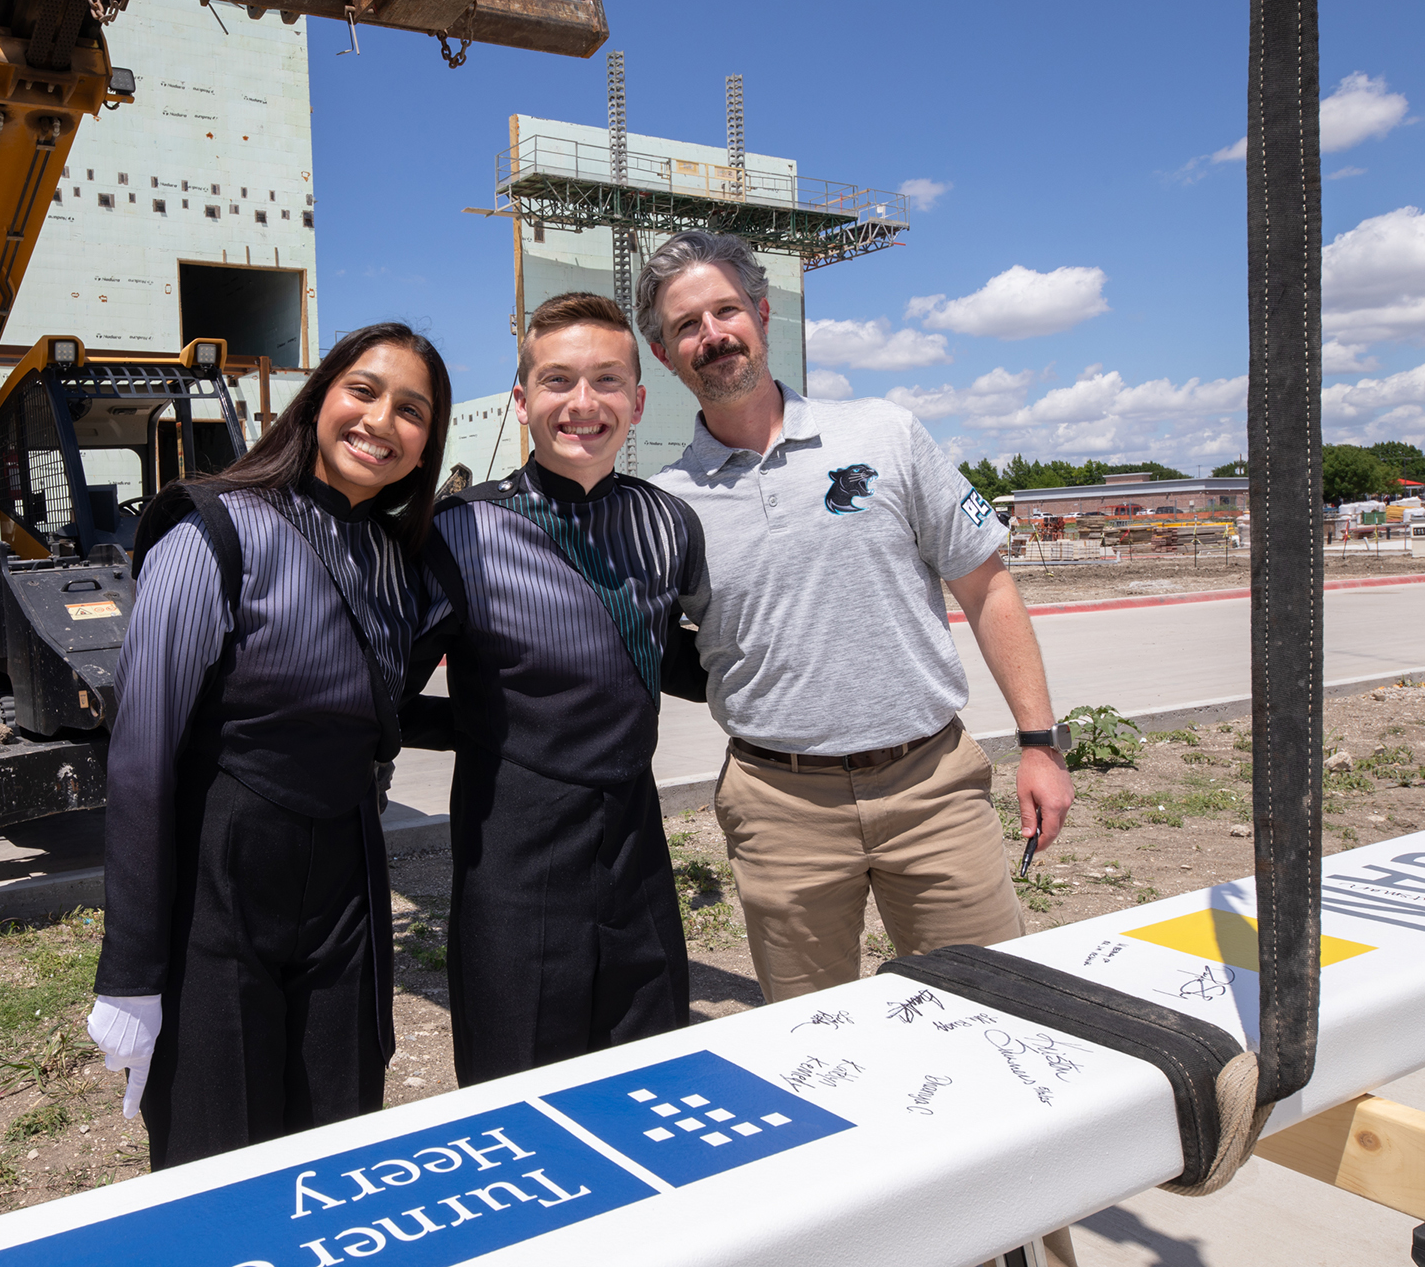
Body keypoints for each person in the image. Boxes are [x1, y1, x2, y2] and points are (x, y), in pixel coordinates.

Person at [638, 231, 1078, 1264]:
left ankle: (1029, 1247)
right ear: (663, 356)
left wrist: (1038, 741)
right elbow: (652, 650)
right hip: (780, 809)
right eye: (683, 327)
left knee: (1000, 1040)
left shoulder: (883, 432)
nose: (710, 336)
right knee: (813, 1063)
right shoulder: (667, 503)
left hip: (929, 784)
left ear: (760, 312)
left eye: (722, 311)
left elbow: (987, 584)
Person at [87, 322, 451, 1168]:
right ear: (320, 397)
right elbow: (141, 757)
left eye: (411, 409)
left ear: (427, 442)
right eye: (363, 391)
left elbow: (381, 708)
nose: (380, 420)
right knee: (219, 1160)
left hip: (348, 894)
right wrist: (131, 969)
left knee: (339, 1147)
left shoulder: (401, 561)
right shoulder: (215, 530)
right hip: (220, 892)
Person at [405, 291, 707, 1086]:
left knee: (651, 1075)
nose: (584, 403)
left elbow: (676, 663)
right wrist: (482, 725)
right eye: (558, 380)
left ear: (639, 401)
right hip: (513, 853)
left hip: (636, 844)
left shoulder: (668, 523)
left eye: (608, 380)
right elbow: (384, 693)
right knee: (522, 1089)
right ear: (522, 399)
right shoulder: (461, 530)